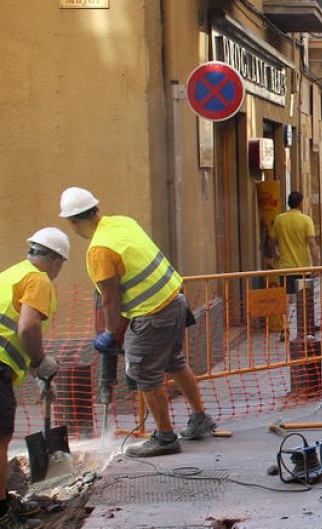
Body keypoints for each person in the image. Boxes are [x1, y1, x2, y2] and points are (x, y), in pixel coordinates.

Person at [59, 187, 215, 457]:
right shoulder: (123, 222)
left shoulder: (99, 250)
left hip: (152, 313)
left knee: (145, 373)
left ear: (73, 222)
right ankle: (200, 418)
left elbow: (110, 300)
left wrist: (110, 333)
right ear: (97, 208)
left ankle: (166, 437)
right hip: (175, 300)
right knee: (174, 361)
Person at [0, 229, 70, 528]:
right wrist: (41, 362)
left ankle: (3, 498)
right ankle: (1, 514)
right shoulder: (39, 279)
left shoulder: (12, 273)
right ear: (56, 261)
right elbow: (27, 328)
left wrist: (34, 370)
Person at [266, 192, 319, 338]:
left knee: (287, 298)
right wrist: (316, 264)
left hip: (285, 267)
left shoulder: (280, 219)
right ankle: (306, 329)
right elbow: (312, 243)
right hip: (303, 267)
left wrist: (275, 254)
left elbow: (271, 239)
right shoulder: (306, 220)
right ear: (301, 203)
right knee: (304, 300)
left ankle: (285, 328)